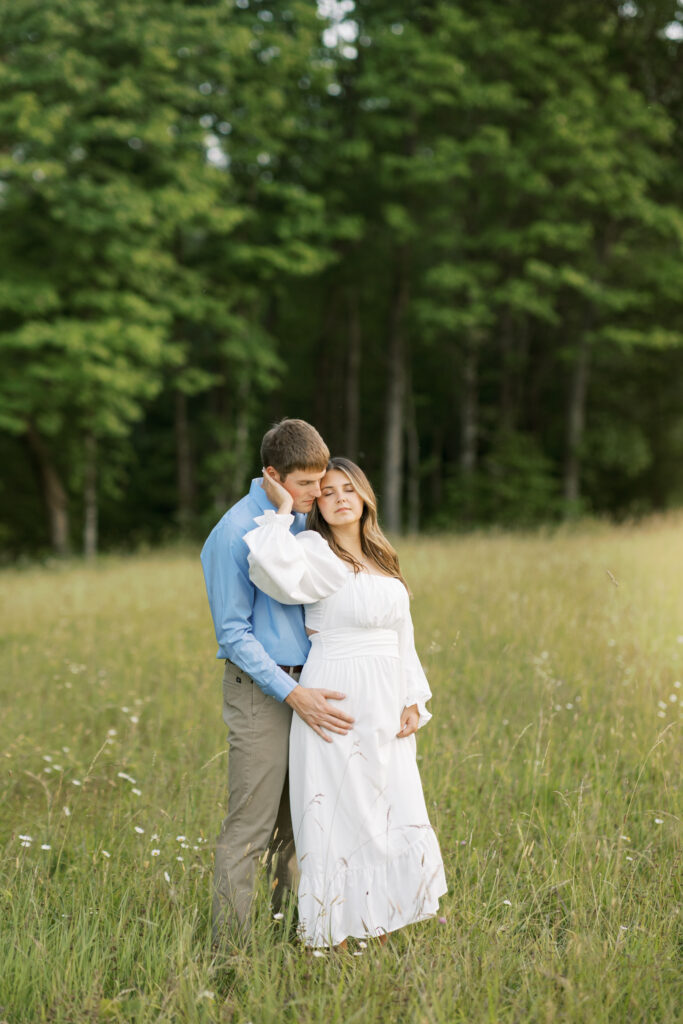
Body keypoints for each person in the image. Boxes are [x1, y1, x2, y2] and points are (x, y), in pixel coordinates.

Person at [244, 457, 447, 949]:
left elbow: (403, 635)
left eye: (348, 490)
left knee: (387, 807)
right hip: (335, 692)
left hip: (385, 700)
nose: (338, 498)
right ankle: (335, 933)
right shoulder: (314, 550)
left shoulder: (383, 557)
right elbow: (268, 570)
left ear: (364, 499)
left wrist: (412, 699)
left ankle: (379, 924)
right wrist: (283, 509)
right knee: (339, 814)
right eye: (328, 491)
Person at [200, 420, 355, 944]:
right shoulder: (232, 533)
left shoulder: (302, 524)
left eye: (322, 481)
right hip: (262, 690)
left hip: (314, 684)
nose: (319, 493)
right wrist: (293, 694)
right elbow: (233, 633)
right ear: (272, 474)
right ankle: (233, 953)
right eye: (307, 483)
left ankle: (293, 935)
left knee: (301, 822)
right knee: (252, 826)